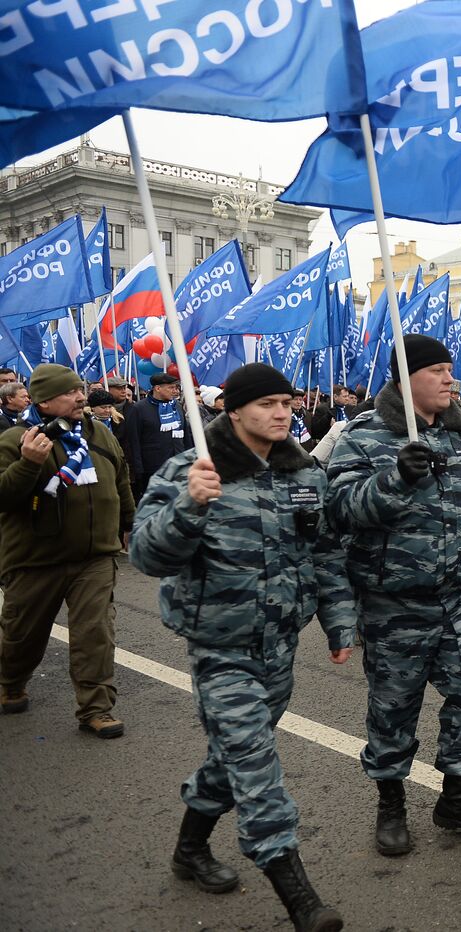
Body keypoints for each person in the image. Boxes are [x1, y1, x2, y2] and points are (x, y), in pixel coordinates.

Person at [128, 363, 352, 931]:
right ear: (232, 410)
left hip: (279, 645)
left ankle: (189, 847)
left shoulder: (302, 472)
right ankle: (300, 898)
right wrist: (188, 507)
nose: (282, 412)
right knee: (255, 762)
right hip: (219, 647)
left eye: (287, 402)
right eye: (267, 404)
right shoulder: (192, 470)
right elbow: (146, 557)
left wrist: (338, 622)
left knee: (234, 754)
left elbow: (323, 553)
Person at [326, 335, 461, 857]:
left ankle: (458, 798)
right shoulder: (364, 435)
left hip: (458, 599)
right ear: (405, 380)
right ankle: (391, 804)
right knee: (394, 707)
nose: (450, 379)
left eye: (451, 369)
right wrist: (394, 479)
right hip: (394, 603)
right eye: (437, 370)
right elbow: (340, 511)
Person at [0, 365, 134, 736]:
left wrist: (129, 523)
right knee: (22, 635)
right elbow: (5, 496)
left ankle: (96, 708)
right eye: (70, 392)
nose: (81, 397)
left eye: (80, 390)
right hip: (35, 559)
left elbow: (120, 479)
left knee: (95, 633)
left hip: (95, 556)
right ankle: (10, 682)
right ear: (44, 401)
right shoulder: (16, 440)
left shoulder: (100, 435)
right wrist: (30, 464)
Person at [125, 372, 194, 499]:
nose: (175, 391)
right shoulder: (139, 409)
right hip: (153, 468)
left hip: (179, 466)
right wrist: (138, 470)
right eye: (171, 388)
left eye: (176, 387)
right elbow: (134, 441)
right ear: (157, 388)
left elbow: (186, 436)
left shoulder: (176, 406)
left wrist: (191, 459)